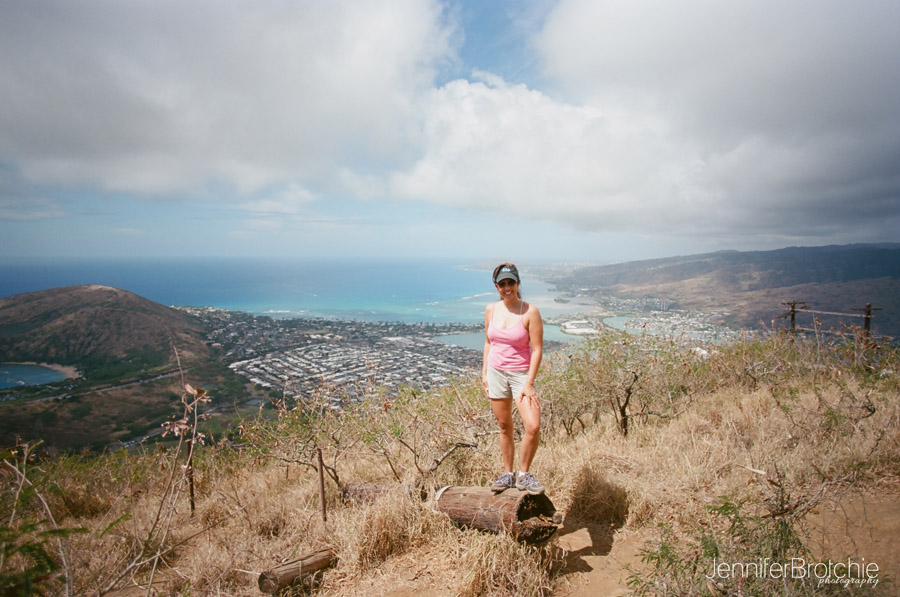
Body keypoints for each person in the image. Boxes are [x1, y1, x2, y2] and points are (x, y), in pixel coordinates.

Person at [482, 262, 544, 495]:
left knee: (533, 426)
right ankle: (508, 474)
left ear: (518, 284)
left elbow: (537, 349)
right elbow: (489, 342)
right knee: (504, 425)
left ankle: (524, 474)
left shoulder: (530, 312)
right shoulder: (491, 309)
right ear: (496, 286)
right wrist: (484, 373)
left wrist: (529, 383)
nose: (507, 288)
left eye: (511, 283)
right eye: (502, 284)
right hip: (496, 372)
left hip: (520, 375)